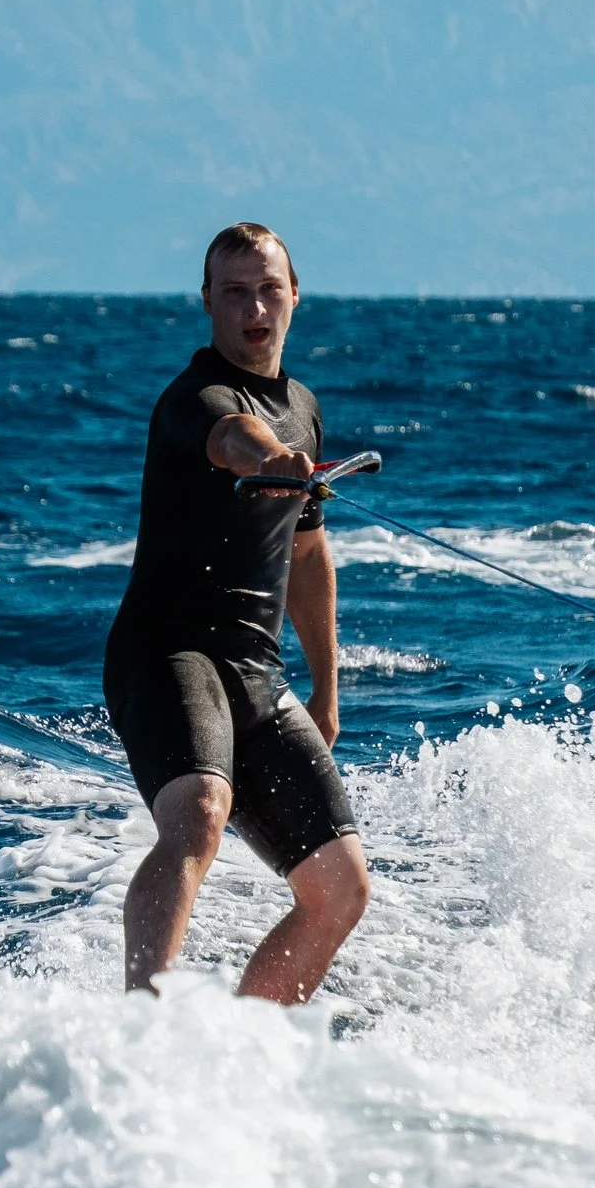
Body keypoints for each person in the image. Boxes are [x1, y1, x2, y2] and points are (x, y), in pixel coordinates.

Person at [102, 222, 370, 1003]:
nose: (255, 306)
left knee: (342, 886)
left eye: (268, 288)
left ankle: (242, 1051)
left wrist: (327, 689)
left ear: (295, 296)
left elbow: (310, 558)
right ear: (208, 304)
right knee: (200, 813)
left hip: (254, 669)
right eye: (234, 292)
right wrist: (272, 461)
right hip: (167, 653)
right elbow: (231, 437)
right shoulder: (194, 399)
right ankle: (143, 1031)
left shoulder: (307, 410)